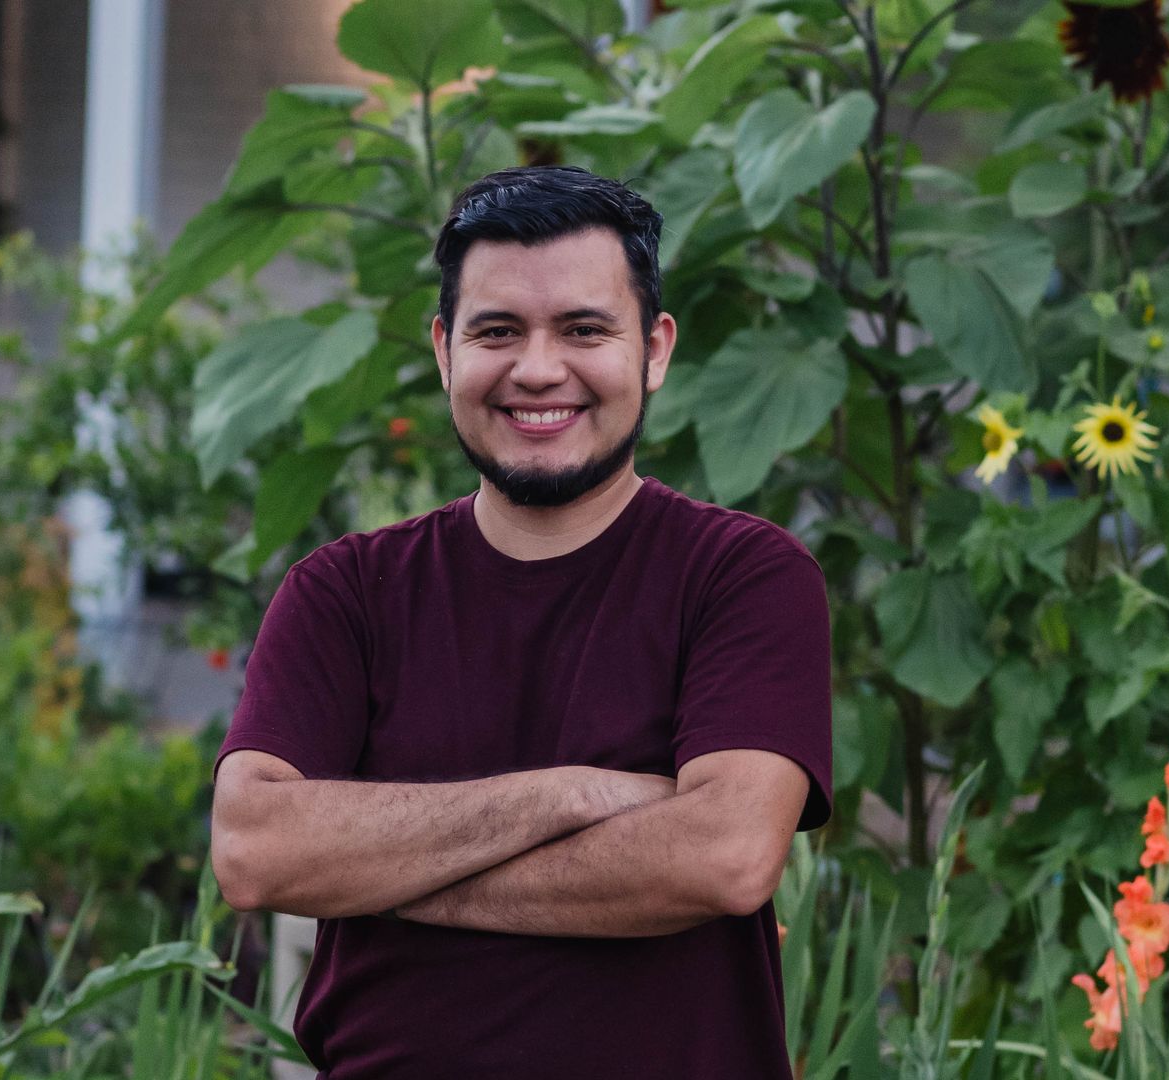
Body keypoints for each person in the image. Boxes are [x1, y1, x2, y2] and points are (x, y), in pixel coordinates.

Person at [210, 165, 832, 1078]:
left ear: (655, 350)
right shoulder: (344, 594)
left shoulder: (742, 577)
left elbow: (724, 857)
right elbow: (256, 852)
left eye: (584, 329)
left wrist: (395, 874)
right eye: (498, 331)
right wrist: (574, 794)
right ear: (444, 350)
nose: (539, 370)